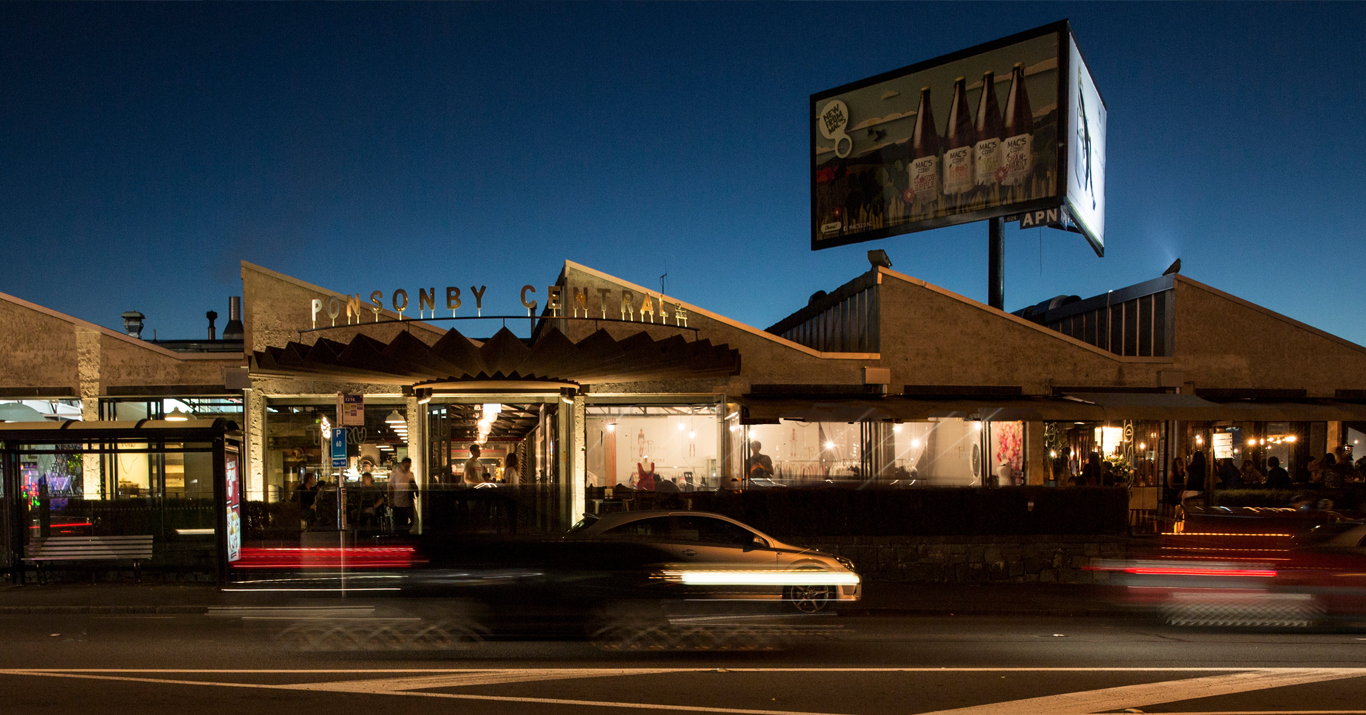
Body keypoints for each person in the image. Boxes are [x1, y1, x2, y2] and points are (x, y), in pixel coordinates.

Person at [388, 457, 419, 533]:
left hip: (408, 502)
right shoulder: (395, 474)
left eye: (408, 466)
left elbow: (413, 484)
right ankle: (401, 536)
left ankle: (404, 533)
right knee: (399, 522)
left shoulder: (410, 474)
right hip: (398, 503)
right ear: (402, 464)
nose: (407, 468)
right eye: (406, 466)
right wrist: (390, 501)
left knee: (413, 520)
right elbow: (391, 488)